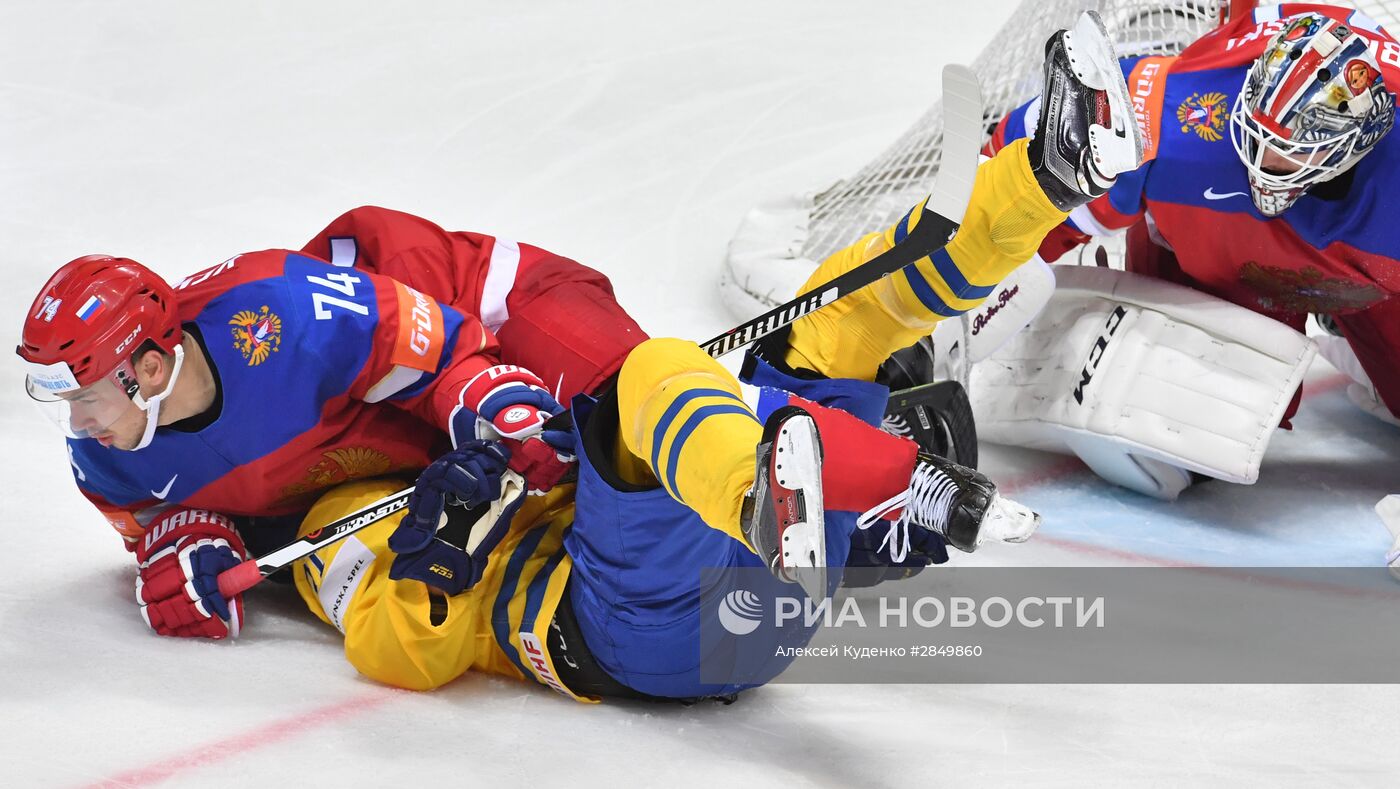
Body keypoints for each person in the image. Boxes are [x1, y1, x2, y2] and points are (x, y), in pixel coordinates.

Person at [17, 13, 1140, 699]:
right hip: (634, 636)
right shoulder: (323, 536)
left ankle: (1038, 176)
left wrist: (493, 415)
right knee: (651, 395)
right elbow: (402, 655)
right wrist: (444, 541)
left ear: (150, 366)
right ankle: (839, 496)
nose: (74, 422)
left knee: (811, 331)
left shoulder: (303, 327)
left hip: (687, 572)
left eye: (84, 394)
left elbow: (452, 352)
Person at [977, 3, 1400, 498]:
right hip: (1220, 251)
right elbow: (1006, 181)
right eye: (1260, 137)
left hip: (1370, 274)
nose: (1266, 162)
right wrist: (955, 288)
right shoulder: (1165, 115)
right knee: (1175, 433)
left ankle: (1346, 329)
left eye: (1292, 151)